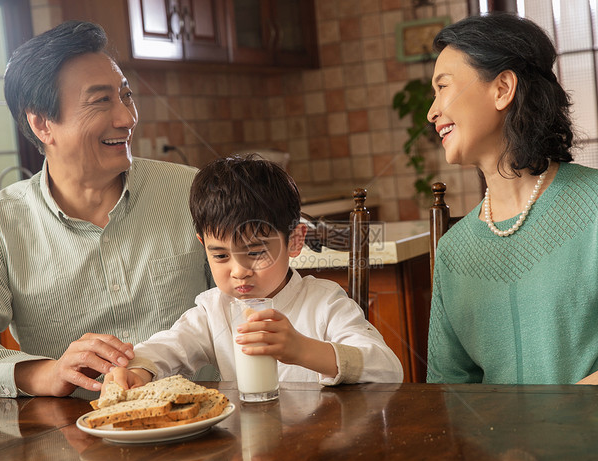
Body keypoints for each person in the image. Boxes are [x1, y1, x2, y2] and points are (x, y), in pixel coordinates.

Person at [0, 21, 211, 399]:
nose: (127, 118)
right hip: (72, 441)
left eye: (126, 95)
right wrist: (44, 373)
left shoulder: (193, 191)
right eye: (101, 100)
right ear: (42, 124)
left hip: (205, 423)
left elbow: (257, 298)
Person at [425, 12, 598, 385]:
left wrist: (551, 422)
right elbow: (447, 389)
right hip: (497, 442)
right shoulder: (453, 251)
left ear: (502, 89)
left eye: (443, 87)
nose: (432, 112)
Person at [104, 155, 403, 390]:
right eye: (220, 255)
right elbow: (169, 347)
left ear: (295, 240)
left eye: (256, 252)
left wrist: (302, 350)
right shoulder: (213, 311)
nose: (239, 271)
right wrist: (137, 370)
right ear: (203, 246)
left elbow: (388, 369)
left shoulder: (324, 303)